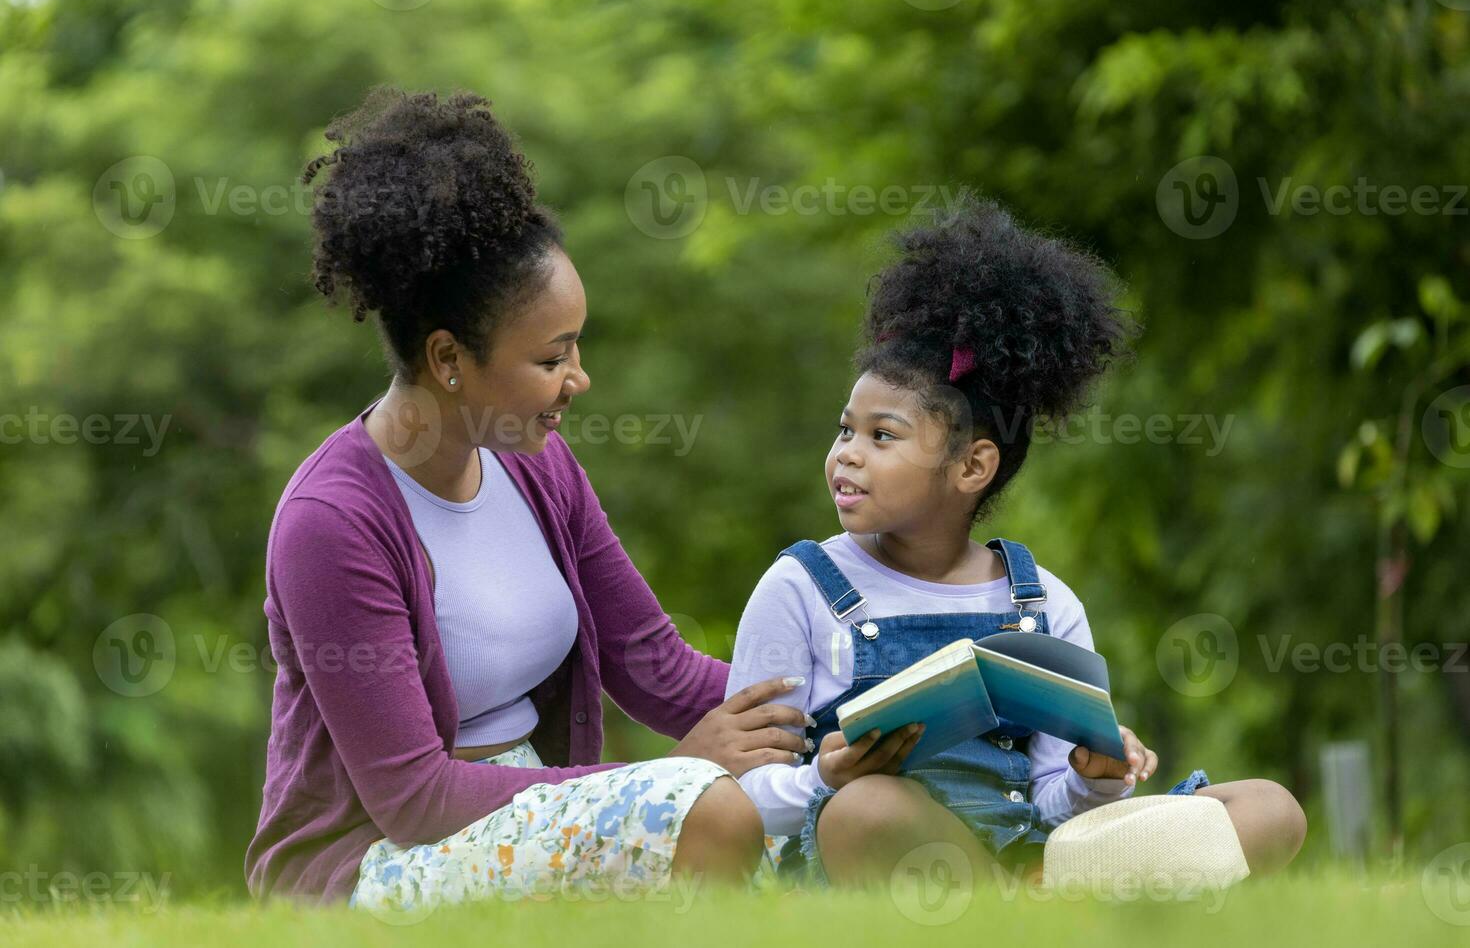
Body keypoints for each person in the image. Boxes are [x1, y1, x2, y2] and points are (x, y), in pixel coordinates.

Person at [244, 87, 813, 912]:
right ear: (448, 358)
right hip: (378, 860)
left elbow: (655, 665)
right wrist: (678, 773)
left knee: (803, 807)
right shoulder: (331, 523)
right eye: (553, 358)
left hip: (545, 804)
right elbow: (413, 796)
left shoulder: (538, 467)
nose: (579, 380)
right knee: (711, 812)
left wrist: (835, 711)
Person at [723, 194, 1308, 888]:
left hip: (1034, 856)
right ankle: (1044, 914)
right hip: (885, 853)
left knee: (1270, 809)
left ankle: (1021, 908)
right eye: (845, 429)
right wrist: (825, 775)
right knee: (867, 810)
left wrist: (1097, 777)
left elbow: (1055, 804)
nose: (846, 454)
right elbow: (745, 801)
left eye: (882, 436)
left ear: (972, 467)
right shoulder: (800, 587)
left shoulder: (1041, 600)